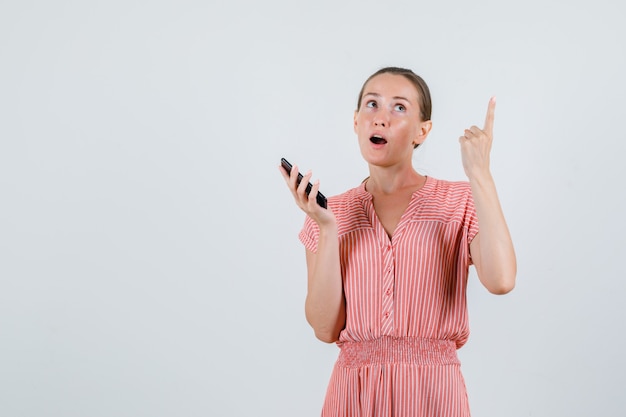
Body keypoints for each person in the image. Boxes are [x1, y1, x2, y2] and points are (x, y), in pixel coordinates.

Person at [279, 66, 516, 417]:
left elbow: (501, 280)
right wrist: (328, 229)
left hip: (434, 393)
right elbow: (325, 327)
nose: (381, 118)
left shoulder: (460, 200)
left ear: (423, 131)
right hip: (353, 395)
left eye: (399, 107)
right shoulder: (330, 211)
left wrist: (479, 173)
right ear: (356, 121)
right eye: (372, 105)